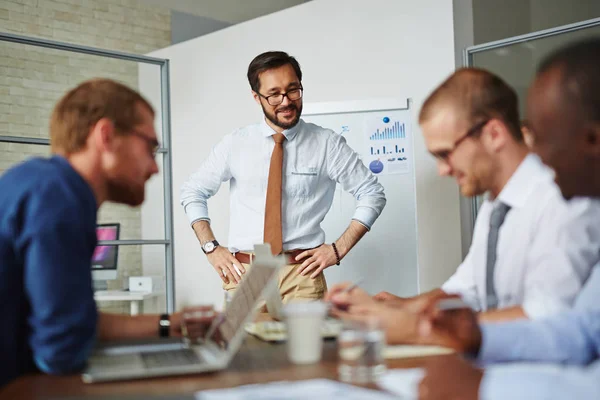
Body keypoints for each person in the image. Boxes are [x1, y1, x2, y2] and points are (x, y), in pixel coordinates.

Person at [327, 68, 600, 334]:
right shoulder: (496, 205)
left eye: (445, 154)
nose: (442, 170)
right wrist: (395, 307)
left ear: (493, 134)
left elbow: (544, 318)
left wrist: (417, 326)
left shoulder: (562, 199)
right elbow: (465, 292)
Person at [415, 37, 600, 400]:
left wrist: (485, 388)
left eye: (542, 140)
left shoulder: (561, 202)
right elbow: (580, 331)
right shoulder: (497, 205)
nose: (535, 159)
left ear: (593, 139)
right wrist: (477, 336)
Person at [0, 79, 215, 388]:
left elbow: (72, 322)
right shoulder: (58, 198)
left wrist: (171, 323)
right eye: (149, 147)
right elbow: (61, 351)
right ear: (107, 136)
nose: (155, 167)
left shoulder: (39, 183)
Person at [180, 51, 386, 304]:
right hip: (246, 273)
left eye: (293, 90)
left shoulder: (327, 144)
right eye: (274, 94)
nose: (286, 101)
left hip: (302, 276)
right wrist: (211, 248)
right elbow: (193, 191)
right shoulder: (235, 143)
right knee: (244, 344)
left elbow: (372, 193)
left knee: (305, 345)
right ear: (256, 97)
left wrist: (338, 248)